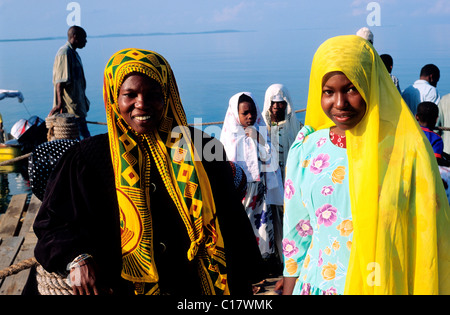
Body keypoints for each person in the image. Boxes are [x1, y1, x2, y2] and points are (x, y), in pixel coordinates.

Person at [28, 48, 263, 295]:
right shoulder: (86, 159)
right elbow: (52, 224)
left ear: (168, 95)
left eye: (153, 94)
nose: (141, 104)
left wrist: (247, 278)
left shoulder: (204, 149)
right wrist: (77, 259)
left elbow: (231, 221)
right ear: (113, 97)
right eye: (130, 94)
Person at [282, 35, 450, 295]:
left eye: (351, 89)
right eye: (329, 92)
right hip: (318, 285)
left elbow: (426, 232)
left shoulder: (405, 151)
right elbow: (297, 231)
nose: (339, 104)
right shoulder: (306, 148)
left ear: (371, 84)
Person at [220, 92, 284, 273]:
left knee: (263, 226)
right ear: (235, 114)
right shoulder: (229, 137)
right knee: (242, 228)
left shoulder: (259, 130)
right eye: (245, 113)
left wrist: (260, 139)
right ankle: (245, 271)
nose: (250, 116)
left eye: (252, 112)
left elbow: (271, 157)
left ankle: (260, 267)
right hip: (240, 191)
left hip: (260, 189)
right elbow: (226, 166)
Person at [261, 84, 302, 268]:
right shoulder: (261, 127)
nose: (277, 106)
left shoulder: (295, 127)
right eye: (274, 103)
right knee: (273, 221)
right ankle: (277, 257)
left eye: (281, 102)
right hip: (270, 184)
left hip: (290, 181)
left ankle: (292, 258)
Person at [49, 26, 90, 139]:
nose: (86, 41)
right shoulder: (65, 53)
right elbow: (60, 83)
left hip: (77, 109)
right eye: (84, 38)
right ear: (75, 37)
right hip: (70, 111)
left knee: (83, 140)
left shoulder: (74, 53)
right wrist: (59, 105)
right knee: (85, 140)